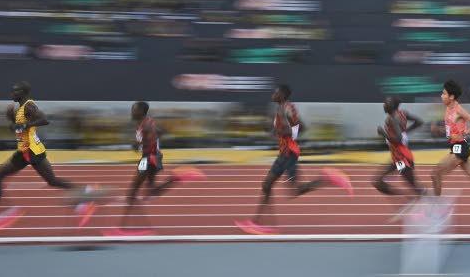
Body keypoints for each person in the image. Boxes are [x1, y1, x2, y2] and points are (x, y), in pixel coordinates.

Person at [0, 81, 99, 235]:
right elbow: (20, 129)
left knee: (50, 181)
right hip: (24, 151)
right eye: (11, 91)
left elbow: (44, 120)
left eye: (15, 91)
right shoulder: (21, 109)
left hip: (32, 151)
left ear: (23, 93)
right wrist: (13, 122)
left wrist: (23, 125)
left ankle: (84, 194)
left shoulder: (28, 106)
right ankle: (0, 215)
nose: (12, 94)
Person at [235, 84, 353, 235]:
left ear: (283, 95)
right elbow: (283, 130)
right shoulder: (280, 109)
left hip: (289, 153)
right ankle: (260, 223)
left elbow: (300, 128)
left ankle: (328, 179)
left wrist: (283, 131)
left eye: (276, 92)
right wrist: (271, 130)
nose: (273, 94)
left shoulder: (288, 108)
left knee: (294, 190)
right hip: (283, 153)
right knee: (267, 184)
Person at [105, 101, 206, 237]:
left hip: (149, 159)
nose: (132, 112)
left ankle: (123, 229)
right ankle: (176, 178)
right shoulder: (144, 122)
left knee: (131, 193)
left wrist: (140, 143)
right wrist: (142, 143)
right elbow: (160, 131)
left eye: (134, 109)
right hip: (151, 158)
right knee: (151, 192)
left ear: (141, 112)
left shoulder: (146, 124)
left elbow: (155, 136)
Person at [375, 96, 424, 198]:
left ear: (393, 105)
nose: (384, 105)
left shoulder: (392, 119)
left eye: (387, 103)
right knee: (378, 181)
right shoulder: (402, 113)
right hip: (398, 157)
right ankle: (406, 197)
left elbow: (398, 138)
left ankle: (409, 197)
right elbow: (419, 122)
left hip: (401, 158)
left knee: (378, 181)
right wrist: (405, 131)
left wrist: (383, 133)